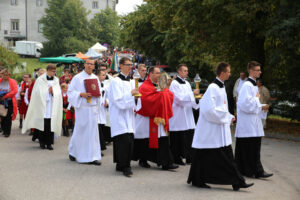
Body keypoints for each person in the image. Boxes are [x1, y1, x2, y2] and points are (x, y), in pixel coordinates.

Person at [187, 62, 254, 191]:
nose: (230, 74)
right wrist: (227, 117)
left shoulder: (221, 87)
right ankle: (235, 181)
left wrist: (228, 116)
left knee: (221, 156)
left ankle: (235, 181)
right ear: (222, 73)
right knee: (216, 157)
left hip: (219, 129)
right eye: (228, 71)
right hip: (210, 131)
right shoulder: (213, 87)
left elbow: (220, 107)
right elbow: (208, 110)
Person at [235, 61, 273, 179]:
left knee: (252, 148)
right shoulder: (247, 86)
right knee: (251, 148)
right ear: (251, 71)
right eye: (258, 70)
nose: (260, 72)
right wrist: (258, 101)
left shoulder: (253, 85)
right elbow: (244, 104)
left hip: (252, 122)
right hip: (248, 124)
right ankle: (256, 171)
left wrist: (262, 107)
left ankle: (250, 170)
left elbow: (252, 104)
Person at [135, 66, 178, 171]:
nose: (159, 75)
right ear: (151, 74)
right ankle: (143, 159)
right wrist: (160, 95)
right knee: (144, 141)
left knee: (162, 140)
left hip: (159, 117)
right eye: (157, 73)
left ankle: (166, 163)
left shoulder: (161, 86)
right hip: (147, 119)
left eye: (160, 73)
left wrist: (163, 93)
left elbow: (169, 95)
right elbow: (146, 100)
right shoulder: (145, 86)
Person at [108, 57, 141, 177]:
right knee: (123, 141)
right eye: (127, 64)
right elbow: (118, 100)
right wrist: (131, 94)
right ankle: (125, 166)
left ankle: (121, 164)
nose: (130, 67)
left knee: (129, 140)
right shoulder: (116, 81)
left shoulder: (132, 82)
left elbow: (136, 100)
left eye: (131, 65)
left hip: (129, 115)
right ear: (120, 66)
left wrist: (136, 98)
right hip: (119, 115)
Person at [67, 59, 102, 165]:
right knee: (80, 131)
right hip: (82, 107)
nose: (89, 65)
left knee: (93, 133)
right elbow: (70, 92)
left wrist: (98, 95)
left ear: (94, 66)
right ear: (84, 65)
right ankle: (75, 152)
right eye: (88, 63)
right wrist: (81, 94)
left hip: (93, 108)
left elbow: (99, 91)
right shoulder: (77, 78)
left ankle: (93, 156)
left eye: (92, 64)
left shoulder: (95, 78)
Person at [22, 64, 63, 150]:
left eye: (55, 71)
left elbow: (58, 93)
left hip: (52, 105)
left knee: (50, 124)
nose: (54, 73)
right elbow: (36, 93)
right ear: (48, 70)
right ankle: (42, 142)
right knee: (42, 124)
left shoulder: (56, 80)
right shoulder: (40, 80)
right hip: (42, 105)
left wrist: (53, 92)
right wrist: (46, 92)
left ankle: (49, 143)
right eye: (53, 71)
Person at [169, 64, 200, 165]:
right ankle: (176, 157)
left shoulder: (187, 83)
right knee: (178, 138)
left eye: (187, 70)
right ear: (179, 71)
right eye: (185, 71)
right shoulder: (174, 83)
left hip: (187, 113)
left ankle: (189, 157)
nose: (187, 72)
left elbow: (189, 99)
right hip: (178, 114)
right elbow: (178, 99)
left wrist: (196, 99)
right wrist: (192, 94)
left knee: (189, 136)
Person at [131, 64, 151, 168]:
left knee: (146, 136)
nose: (144, 72)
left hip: (147, 111)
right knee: (138, 135)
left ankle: (144, 159)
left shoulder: (148, 82)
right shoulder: (134, 82)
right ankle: (136, 156)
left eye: (145, 70)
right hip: (137, 112)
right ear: (137, 71)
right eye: (142, 70)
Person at [27, 68, 46, 140]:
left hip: (46, 104)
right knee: (38, 120)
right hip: (37, 104)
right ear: (38, 75)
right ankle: (37, 135)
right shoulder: (35, 82)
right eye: (40, 74)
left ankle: (43, 136)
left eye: (43, 74)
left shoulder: (48, 82)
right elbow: (30, 93)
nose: (42, 75)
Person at [0, 69, 18, 137]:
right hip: (1, 102)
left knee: (8, 117)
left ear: (9, 75)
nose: (5, 76)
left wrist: (6, 96)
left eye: (6, 75)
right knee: (2, 116)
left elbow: (15, 91)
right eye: (3, 75)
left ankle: (7, 132)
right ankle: (4, 129)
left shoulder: (12, 81)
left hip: (9, 101)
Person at [96, 69, 108, 152]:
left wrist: (107, 101)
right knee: (97, 130)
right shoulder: (95, 85)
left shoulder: (104, 85)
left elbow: (106, 96)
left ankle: (100, 147)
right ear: (98, 75)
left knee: (101, 128)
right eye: (103, 75)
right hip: (96, 110)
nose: (104, 76)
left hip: (102, 110)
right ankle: (98, 148)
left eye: (105, 75)